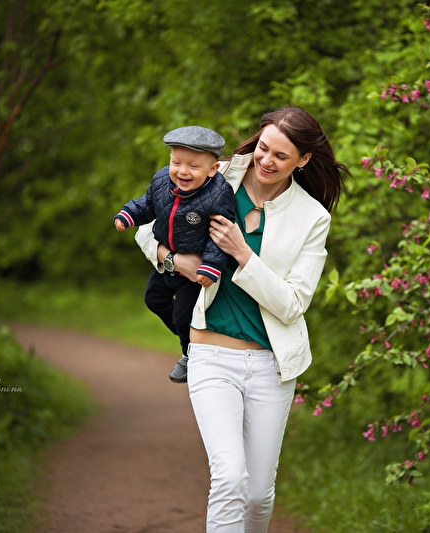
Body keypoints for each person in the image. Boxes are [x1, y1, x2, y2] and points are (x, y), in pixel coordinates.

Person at [134, 106, 350, 532]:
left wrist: (242, 253)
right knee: (230, 478)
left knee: (258, 494)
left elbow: (292, 304)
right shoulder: (215, 175)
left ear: (303, 160)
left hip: (271, 366)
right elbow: (147, 227)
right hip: (210, 355)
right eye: (263, 148)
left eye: (281, 156)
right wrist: (175, 262)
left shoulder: (312, 217)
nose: (266, 160)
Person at [114, 125, 236, 383]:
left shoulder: (219, 194)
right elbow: (147, 204)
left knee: (182, 315)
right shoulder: (161, 180)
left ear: (213, 169)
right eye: (176, 162)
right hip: (166, 264)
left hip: (193, 272)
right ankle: (191, 337)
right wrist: (129, 215)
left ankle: (189, 354)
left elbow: (220, 235)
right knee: (153, 299)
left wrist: (211, 266)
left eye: (193, 166)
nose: (182, 171)